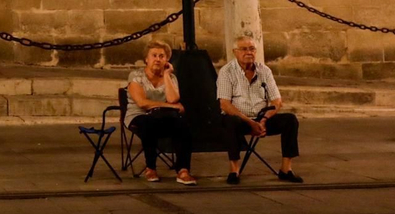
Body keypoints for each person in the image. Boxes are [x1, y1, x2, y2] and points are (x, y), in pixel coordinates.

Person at [216, 36, 303, 184]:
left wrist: (263, 121)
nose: (248, 52)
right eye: (244, 49)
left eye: (252, 49)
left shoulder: (264, 71)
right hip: (241, 119)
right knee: (230, 122)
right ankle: (234, 170)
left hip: (262, 119)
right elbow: (225, 104)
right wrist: (251, 123)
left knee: (290, 120)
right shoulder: (227, 72)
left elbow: (276, 101)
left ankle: (286, 169)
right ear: (235, 52)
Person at [125, 39, 197, 186]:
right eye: (154, 55)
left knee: (183, 126)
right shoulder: (136, 76)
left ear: (167, 60)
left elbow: (173, 99)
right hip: (138, 116)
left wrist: (166, 75)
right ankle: (150, 168)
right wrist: (171, 106)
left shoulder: (170, 78)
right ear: (146, 59)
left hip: (163, 116)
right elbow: (142, 103)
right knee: (148, 124)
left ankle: (183, 170)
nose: (158, 59)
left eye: (161, 56)